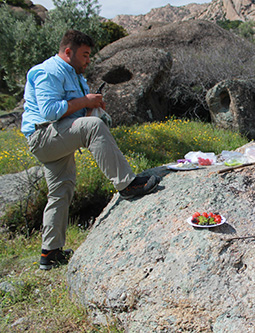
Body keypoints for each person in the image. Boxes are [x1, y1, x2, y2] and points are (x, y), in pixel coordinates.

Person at [21, 29, 161, 270]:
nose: (88, 60)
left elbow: (70, 112)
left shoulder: (73, 74)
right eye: (85, 55)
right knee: (93, 127)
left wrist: (90, 107)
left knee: (60, 192)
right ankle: (127, 184)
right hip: (42, 137)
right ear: (68, 52)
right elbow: (50, 111)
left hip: (54, 138)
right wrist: (86, 103)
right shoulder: (48, 71)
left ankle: (50, 253)